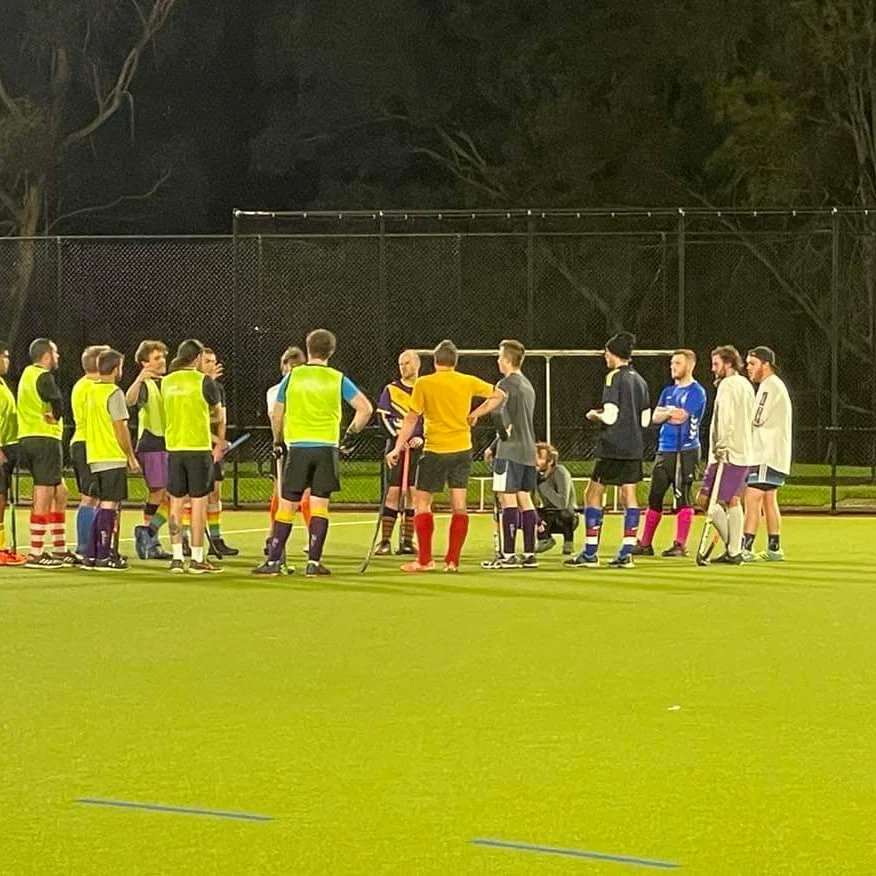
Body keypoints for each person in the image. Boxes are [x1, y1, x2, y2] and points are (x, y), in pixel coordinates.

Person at [255, 329, 373, 577]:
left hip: (297, 447)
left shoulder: (293, 377)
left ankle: (274, 561)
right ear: (331, 351)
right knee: (319, 505)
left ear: (308, 350)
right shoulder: (337, 378)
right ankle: (314, 563)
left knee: (287, 505)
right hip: (326, 448)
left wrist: (278, 440)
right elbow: (365, 409)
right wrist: (349, 435)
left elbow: (277, 413)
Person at [387, 339, 504, 573]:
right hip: (462, 449)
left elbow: (411, 419)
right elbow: (499, 394)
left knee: (422, 503)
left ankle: (425, 560)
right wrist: (476, 414)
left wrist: (397, 447)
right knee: (459, 506)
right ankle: (452, 561)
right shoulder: (467, 381)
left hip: (434, 450)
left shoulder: (424, 384)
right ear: (455, 361)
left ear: (434, 360)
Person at [565, 331, 651, 569]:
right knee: (629, 497)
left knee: (592, 494)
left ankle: (591, 552)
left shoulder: (614, 378)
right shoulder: (641, 380)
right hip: (634, 447)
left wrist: (594, 415)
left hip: (613, 445)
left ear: (614, 354)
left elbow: (611, 415)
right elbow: (646, 419)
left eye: (606, 352)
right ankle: (626, 551)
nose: (605, 356)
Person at [633, 349, 707, 558]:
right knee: (654, 495)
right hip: (664, 448)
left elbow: (681, 417)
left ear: (690, 366)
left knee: (682, 496)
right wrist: (667, 413)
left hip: (685, 450)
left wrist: (667, 413)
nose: (673, 366)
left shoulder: (696, 391)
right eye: (672, 363)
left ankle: (680, 544)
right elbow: (654, 417)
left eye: (678, 363)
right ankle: (645, 543)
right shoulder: (667, 391)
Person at [162, 339, 225, 574]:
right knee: (198, 503)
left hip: (174, 448)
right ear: (197, 357)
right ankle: (198, 558)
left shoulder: (166, 382)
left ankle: (177, 557)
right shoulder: (204, 381)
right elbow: (217, 416)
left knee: (176, 502)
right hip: (198, 448)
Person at [475, 339, 539, 570]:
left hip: (510, 451)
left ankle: (509, 555)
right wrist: (493, 445)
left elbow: (493, 404)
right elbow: (513, 424)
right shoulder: (528, 385)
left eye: (500, 357)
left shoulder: (507, 383)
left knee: (507, 498)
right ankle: (530, 553)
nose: (498, 361)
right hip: (527, 450)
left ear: (508, 360)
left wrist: (472, 415)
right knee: (525, 498)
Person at [695, 345, 755, 565]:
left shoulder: (728, 386)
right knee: (731, 500)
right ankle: (734, 549)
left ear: (728, 363)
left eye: (716, 364)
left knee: (707, 500)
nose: (713, 369)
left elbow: (727, 420)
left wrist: (721, 446)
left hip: (728, 453)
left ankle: (734, 547)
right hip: (741, 451)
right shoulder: (745, 385)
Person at [83, 349, 140, 570]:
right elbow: (120, 427)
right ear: (117, 369)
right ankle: (105, 556)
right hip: (111, 455)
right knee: (109, 505)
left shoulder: (91, 391)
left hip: (94, 455)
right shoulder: (114, 393)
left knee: (100, 505)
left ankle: (91, 554)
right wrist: (130, 456)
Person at [16, 338, 70, 569]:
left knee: (61, 491)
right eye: (55, 353)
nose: (57, 357)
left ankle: (59, 549)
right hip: (44, 438)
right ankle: (36, 553)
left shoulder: (26, 375)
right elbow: (56, 400)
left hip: (28, 437)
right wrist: (56, 415)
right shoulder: (43, 376)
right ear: (47, 355)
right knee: (44, 491)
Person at [743, 346, 792, 562]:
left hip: (765, 454)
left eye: (752, 364)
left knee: (752, 497)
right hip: (776, 454)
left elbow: (755, 418)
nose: (748, 368)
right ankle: (774, 548)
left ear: (766, 364)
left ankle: (745, 547)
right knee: (769, 499)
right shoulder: (776, 386)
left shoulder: (768, 386)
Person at [127, 340, 172, 561]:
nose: (162, 360)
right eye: (156, 358)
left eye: (163, 356)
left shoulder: (167, 382)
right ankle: (150, 538)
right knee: (159, 492)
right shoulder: (145, 385)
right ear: (145, 363)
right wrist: (139, 379)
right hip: (151, 443)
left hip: (168, 443)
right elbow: (128, 401)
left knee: (171, 495)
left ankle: (147, 533)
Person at [375, 349, 423, 555]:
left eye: (407, 363)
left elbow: (429, 418)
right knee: (392, 493)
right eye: (401, 364)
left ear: (417, 365)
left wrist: (421, 438)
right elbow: (383, 417)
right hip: (395, 448)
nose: (403, 367)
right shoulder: (391, 390)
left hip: (417, 449)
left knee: (413, 493)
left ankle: (407, 541)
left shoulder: (425, 389)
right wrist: (398, 438)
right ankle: (385, 541)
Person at [265, 346, 307, 555]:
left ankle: (312, 538)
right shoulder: (275, 391)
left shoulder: (307, 388)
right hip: (284, 445)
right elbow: (276, 417)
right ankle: (273, 535)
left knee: (307, 495)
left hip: (300, 444)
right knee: (280, 493)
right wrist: (277, 441)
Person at [69, 345, 110, 559]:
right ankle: (85, 547)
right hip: (89, 444)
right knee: (90, 497)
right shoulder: (94, 386)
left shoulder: (80, 385)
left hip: (81, 442)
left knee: (92, 497)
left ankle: (89, 545)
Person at [201, 348, 235, 557]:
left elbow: (221, 418)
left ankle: (216, 539)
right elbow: (197, 420)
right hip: (196, 446)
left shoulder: (217, 388)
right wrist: (214, 440)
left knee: (215, 493)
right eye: (207, 361)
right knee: (189, 498)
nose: (211, 365)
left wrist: (219, 444)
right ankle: (186, 540)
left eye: (213, 361)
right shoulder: (194, 387)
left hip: (213, 448)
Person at [0, 343, 26, 565]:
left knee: (3, 495)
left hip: (8, 446)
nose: (7, 361)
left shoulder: (2, 384)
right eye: (4, 357)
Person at [533, 442, 579, 555]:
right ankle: (544, 538)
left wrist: (542, 484)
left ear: (550, 461)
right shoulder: (536, 475)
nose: (535, 461)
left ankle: (568, 542)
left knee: (565, 513)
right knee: (529, 513)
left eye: (540, 458)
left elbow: (562, 503)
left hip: (567, 516)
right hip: (549, 515)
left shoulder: (560, 472)